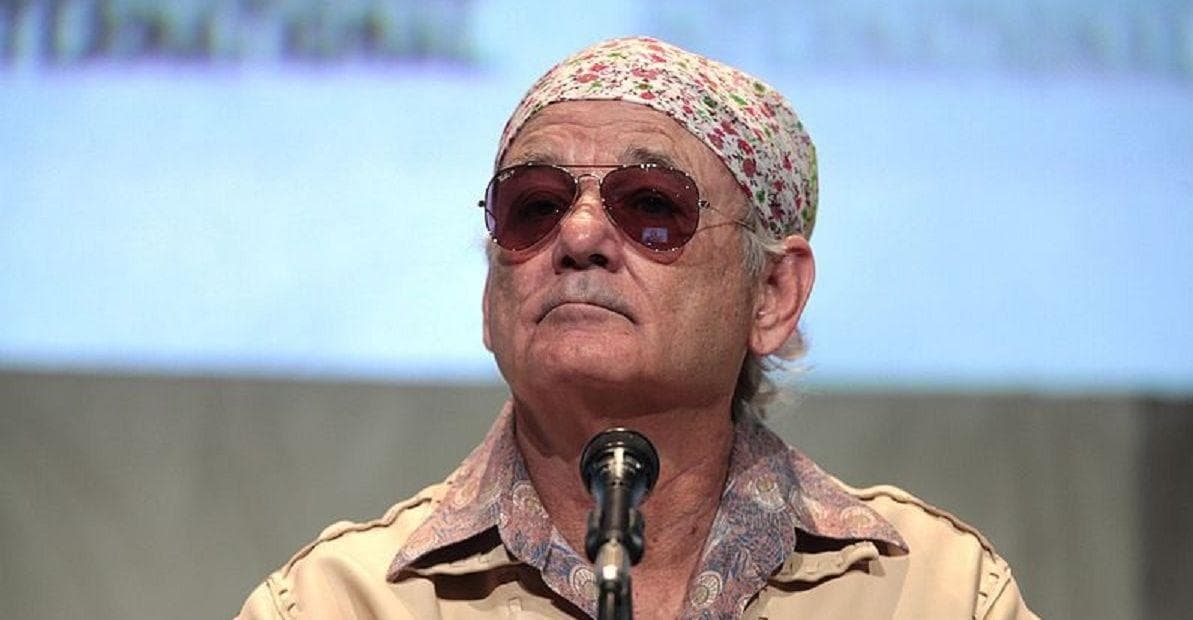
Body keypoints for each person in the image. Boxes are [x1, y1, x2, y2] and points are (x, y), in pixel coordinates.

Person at [237, 36, 1036, 619]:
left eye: (650, 205)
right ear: (489, 295)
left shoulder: (934, 593)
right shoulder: (337, 603)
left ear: (771, 293)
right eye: (535, 208)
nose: (579, 235)